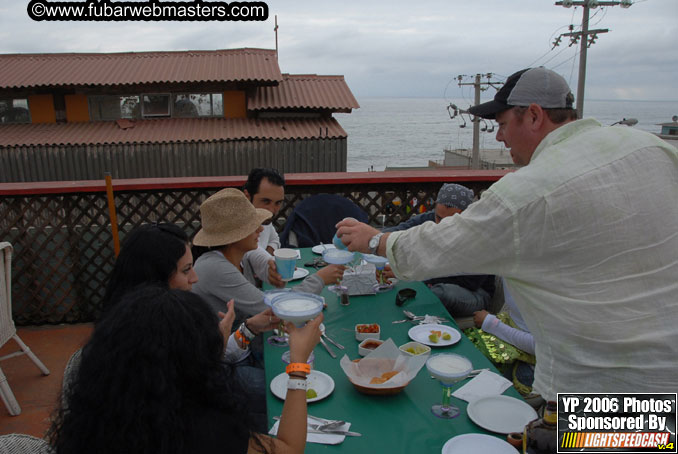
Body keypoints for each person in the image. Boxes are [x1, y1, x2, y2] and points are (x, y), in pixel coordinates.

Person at [335, 67, 678, 400]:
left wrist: (377, 239)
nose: (499, 137)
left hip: (599, 387)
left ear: (533, 115)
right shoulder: (652, 147)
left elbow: (444, 244)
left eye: (501, 125)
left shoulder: (530, 190)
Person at [49, 284, 323, 454]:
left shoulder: (97, 416)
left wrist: (233, 336)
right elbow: (289, 449)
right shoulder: (202, 430)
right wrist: (298, 364)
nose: (194, 279)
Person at [192, 188, 344, 320]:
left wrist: (269, 266)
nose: (260, 229)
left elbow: (256, 254)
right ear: (234, 237)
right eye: (252, 226)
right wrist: (319, 279)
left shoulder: (237, 255)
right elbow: (277, 308)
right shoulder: (215, 268)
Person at [383, 183, 495, 317]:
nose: (442, 225)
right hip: (434, 283)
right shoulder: (430, 218)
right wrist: (373, 239)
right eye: (439, 218)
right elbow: (399, 231)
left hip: (474, 293)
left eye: (450, 220)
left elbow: (469, 282)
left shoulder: (479, 236)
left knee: (441, 293)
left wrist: (414, 272)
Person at [468, 278, 536, 396]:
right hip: (511, 337)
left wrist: (492, 323)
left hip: (542, 365)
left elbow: (539, 346)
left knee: (486, 394)